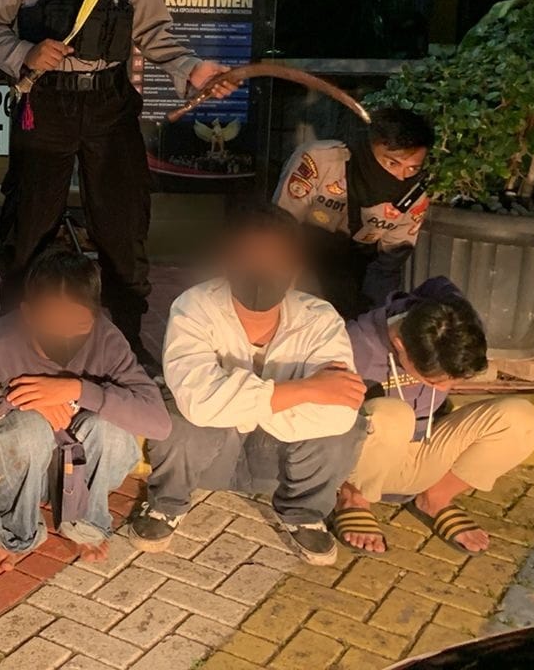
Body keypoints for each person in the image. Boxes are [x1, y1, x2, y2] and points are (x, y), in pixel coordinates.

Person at [0, 0, 232, 367]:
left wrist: (193, 68)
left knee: (123, 226)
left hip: (109, 103)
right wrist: (26, 53)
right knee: (27, 229)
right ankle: (13, 337)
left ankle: (128, 343)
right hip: (46, 102)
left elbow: (154, 32)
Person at [126, 205, 365, 566]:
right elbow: (196, 403)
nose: (261, 271)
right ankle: (167, 504)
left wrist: (232, 402)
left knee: (348, 428)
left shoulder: (321, 320)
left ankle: (304, 512)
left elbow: (339, 413)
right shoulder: (194, 307)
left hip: (277, 462)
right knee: (178, 417)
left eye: (274, 260)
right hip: (212, 457)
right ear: (226, 263)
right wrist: (307, 390)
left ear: (295, 268)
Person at [0, 247, 170, 569]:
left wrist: (77, 390)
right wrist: (24, 400)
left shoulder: (106, 339)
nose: (64, 331)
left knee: (109, 427)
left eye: (78, 322)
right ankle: (11, 528)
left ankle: (83, 523)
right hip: (20, 471)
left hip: (79, 466)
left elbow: (158, 423)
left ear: (96, 316)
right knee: (27, 430)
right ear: (28, 313)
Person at [330, 278, 534, 557]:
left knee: (521, 419)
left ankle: (435, 498)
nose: (444, 389)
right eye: (433, 380)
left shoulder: (453, 322)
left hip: (423, 449)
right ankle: (352, 501)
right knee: (393, 414)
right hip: (360, 462)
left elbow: (439, 283)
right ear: (400, 344)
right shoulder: (353, 346)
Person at [275, 106, 433, 316]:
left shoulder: (412, 198)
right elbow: (280, 231)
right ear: (369, 148)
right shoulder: (321, 161)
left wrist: (372, 321)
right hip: (300, 260)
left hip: (355, 276)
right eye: (392, 163)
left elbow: (387, 267)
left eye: (412, 168)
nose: (400, 176)